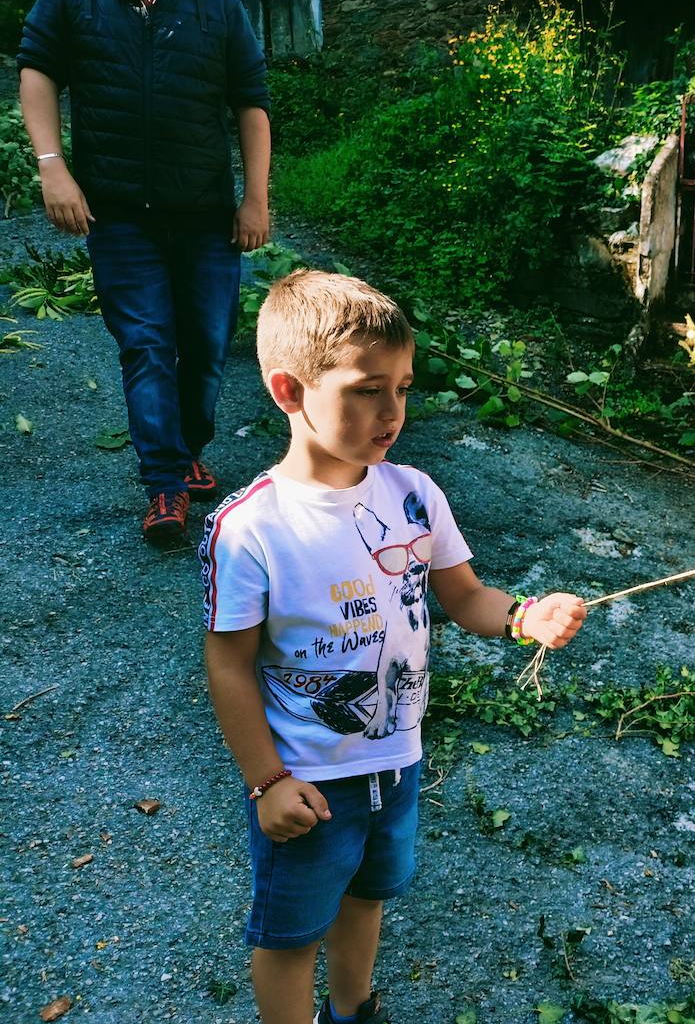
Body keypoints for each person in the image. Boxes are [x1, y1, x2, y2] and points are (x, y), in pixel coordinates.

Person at [198, 271, 587, 1024]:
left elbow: (466, 596)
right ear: (289, 390)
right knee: (289, 933)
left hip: (396, 763)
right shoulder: (250, 527)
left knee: (368, 898)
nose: (393, 412)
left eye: (403, 388)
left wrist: (525, 616)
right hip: (307, 778)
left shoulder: (413, 493)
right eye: (367, 389)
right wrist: (265, 780)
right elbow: (229, 661)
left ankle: (354, 1011)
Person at [17, 0, 272, 542]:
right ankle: (164, 481)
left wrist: (256, 198)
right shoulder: (71, 0)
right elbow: (37, 71)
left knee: (206, 345)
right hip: (118, 213)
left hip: (206, 214)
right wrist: (51, 167)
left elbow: (250, 99)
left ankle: (185, 451)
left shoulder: (218, 5)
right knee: (147, 341)